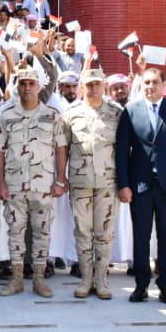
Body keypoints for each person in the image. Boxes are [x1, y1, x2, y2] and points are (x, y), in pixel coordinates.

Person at [119, 66, 166, 304]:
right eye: (146, 82)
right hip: (140, 186)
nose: (150, 87)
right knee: (140, 238)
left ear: (164, 85)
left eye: (155, 82)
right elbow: (122, 151)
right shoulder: (130, 111)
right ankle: (141, 285)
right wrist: (124, 184)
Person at [0, 67, 66, 298]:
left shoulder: (52, 115)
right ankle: (16, 279)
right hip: (14, 184)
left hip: (43, 186)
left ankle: (39, 279)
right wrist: (0, 182)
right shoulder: (7, 115)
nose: (27, 88)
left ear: (39, 86)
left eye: (31, 83)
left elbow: (61, 148)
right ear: (17, 86)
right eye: (23, 83)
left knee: (42, 232)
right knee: (15, 231)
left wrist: (60, 180)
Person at [62, 68, 130, 300]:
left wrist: (125, 182)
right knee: (82, 232)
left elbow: (124, 149)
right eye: (89, 84)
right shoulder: (71, 113)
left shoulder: (116, 113)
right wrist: (62, 177)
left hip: (108, 183)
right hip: (80, 182)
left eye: (97, 84)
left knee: (105, 233)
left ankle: (101, 280)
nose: (93, 88)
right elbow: (63, 147)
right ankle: (85, 279)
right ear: (83, 87)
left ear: (104, 86)